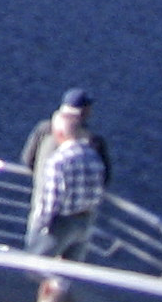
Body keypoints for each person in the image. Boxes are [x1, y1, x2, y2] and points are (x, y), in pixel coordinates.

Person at [28, 109, 106, 261]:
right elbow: (97, 193)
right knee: (63, 278)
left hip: (60, 223)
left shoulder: (58, 161)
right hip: (84, 222)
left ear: (59, 133)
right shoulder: (94, 157)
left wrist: (39, 226)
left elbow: (51, 201)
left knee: (32, 267)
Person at [22, 89, 112, 187]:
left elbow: (27, 160)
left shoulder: (43, 129)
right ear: (85, 111)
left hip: (41, 197)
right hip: (78, 198)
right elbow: (104, 177)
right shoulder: (94, 141)